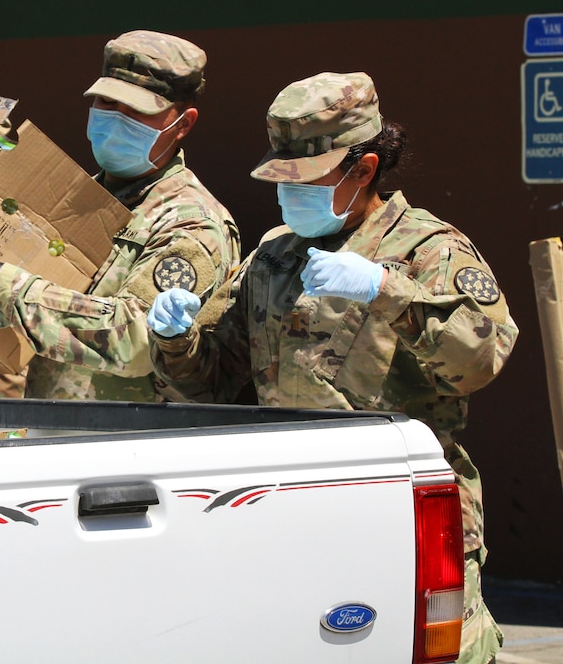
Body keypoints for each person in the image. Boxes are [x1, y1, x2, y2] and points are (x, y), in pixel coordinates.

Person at [146, 71, 516, 664]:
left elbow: (480, 360)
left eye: (308, 179)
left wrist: (387, 292)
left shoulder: (430, 251)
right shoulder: (275, 255)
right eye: (282, 180)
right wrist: (176, 339)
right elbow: (215, 380)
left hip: (401, 514)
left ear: (364, 169)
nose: (290, 196)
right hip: (290, 514)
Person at [0, 29, 240, 401]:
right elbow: (41, 324)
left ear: (184, 123)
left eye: (138, 112)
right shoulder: (75, 198)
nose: (116, 119)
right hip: (54, 435)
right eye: (107, 103)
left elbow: (140, 341)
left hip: (133, 446)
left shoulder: (192, 222)